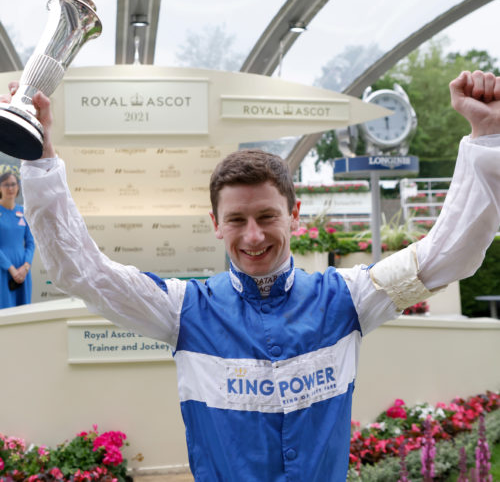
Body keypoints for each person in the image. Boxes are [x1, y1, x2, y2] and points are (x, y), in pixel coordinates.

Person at [3, 70, 500, 481]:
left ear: (294, 214)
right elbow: (81, 270)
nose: (254, 236)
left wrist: (486, 139)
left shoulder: (348, 298)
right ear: (216, 225)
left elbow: (445, 256)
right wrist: (40, 158)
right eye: (237, 220)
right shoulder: (182, 309)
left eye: (266, 217)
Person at [0, 169, 35, 308]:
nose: (10, 188)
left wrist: (25, 267)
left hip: (22, 272)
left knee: (23, 312)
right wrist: (11, 269)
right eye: (6, 184)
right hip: (3, 271)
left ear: (18, 186)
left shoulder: (23, 212)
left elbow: (31, 244)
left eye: (13, 184)